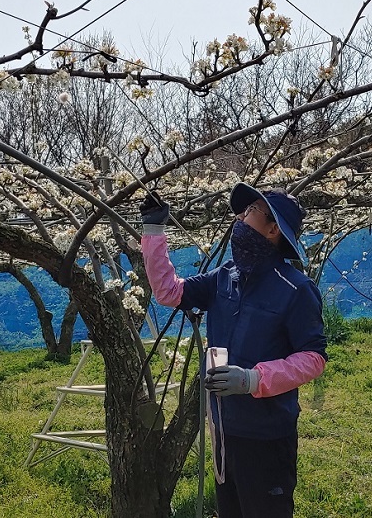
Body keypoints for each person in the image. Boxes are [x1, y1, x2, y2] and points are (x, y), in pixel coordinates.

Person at [139, 182, 327, 518]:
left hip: (267, 436)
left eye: (251, 211)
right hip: (224, 427)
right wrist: (154, 230)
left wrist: (254, 379)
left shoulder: (296, 289)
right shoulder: (225, 276)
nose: (240, 217)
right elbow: (169, 292)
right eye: (244, 210)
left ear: (273, 229)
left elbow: (313, 358)